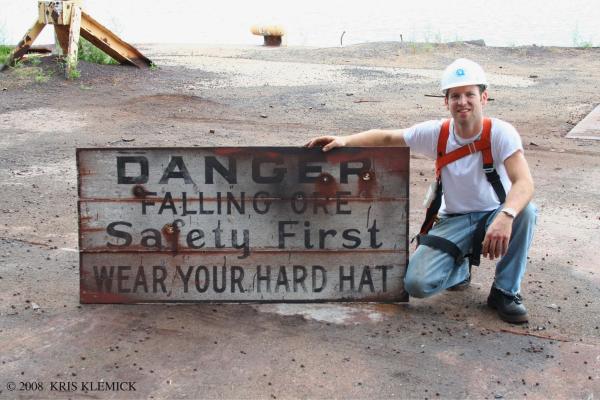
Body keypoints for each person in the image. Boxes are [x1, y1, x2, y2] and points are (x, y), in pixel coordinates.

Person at [306, 58, 537, 324]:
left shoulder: (501, 133)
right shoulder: (438, 133)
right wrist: (345, 140)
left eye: (469, 94)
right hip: (454, 220)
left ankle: (505, 291)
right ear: (446, 102)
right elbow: (387, 137)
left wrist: (506, 216)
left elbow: (524, 183)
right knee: (417, 284)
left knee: (525, 211)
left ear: (483, 98)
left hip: (493, 214)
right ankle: (460, 267)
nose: (462, 102)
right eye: (455, 96)